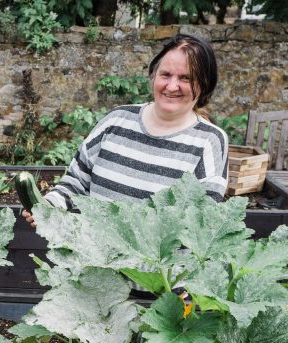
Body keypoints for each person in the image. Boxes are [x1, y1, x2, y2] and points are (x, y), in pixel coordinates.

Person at [23, 33, 228, 226]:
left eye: (186, 78)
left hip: (160, 264)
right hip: (93, 259)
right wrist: (48, 206)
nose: (172, 86)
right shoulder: (116, 121)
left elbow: (204, 221)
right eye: (165, 75)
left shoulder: (210, 141)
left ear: (205, 84)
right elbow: (76, 182)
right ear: (154, 76)